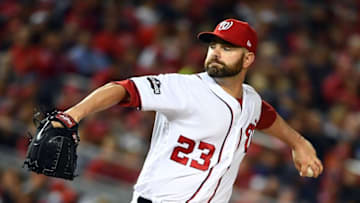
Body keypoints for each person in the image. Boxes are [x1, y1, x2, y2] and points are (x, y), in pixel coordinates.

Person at [53, 19, 323, 203]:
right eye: (213, 45)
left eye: (227, 48)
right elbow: (123, 88)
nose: (216, 52)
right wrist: (72, 114)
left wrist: (298, 142)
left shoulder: (250, 100)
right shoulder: (183, 87)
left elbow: (264, 115)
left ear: (248, 58)